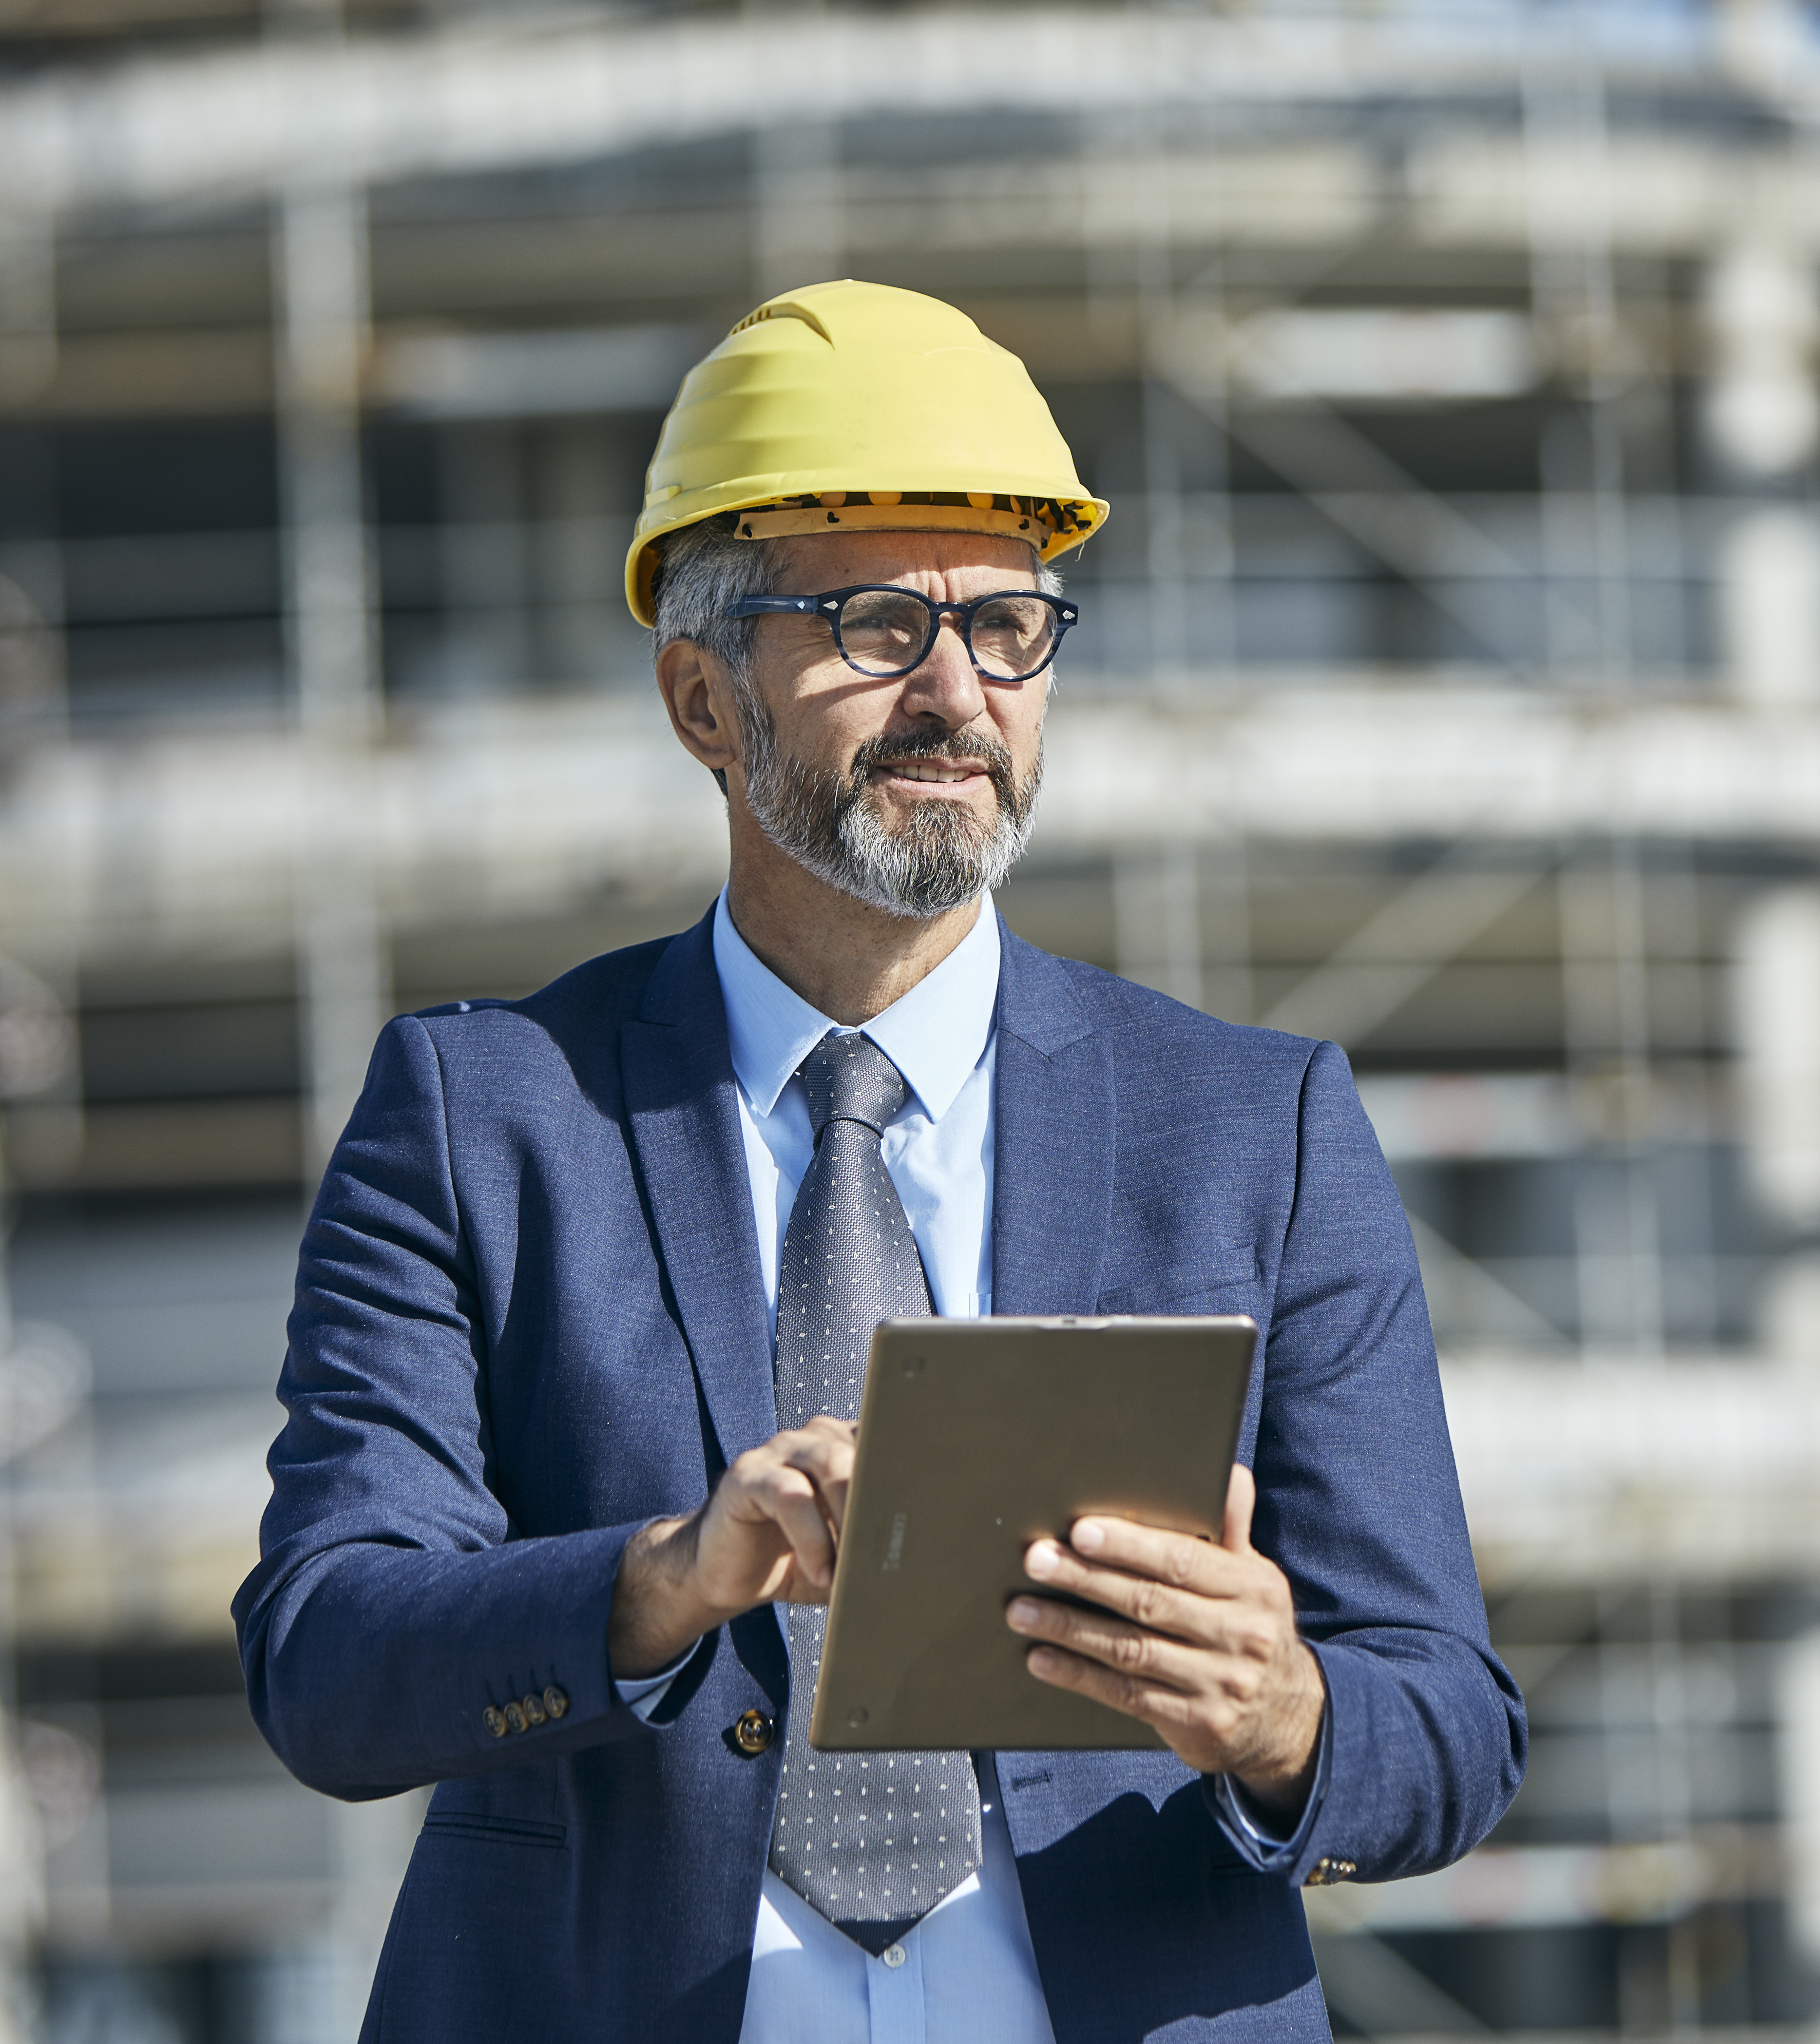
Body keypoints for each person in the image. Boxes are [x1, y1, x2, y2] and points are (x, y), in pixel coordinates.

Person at [235, 280, 1526, 2044]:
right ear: (702, 698)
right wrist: (670, 1578)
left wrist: (1283, 1714)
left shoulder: (1256, 1124)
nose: (952, 692)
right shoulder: (481, 1116)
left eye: (1007, 625)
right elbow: (327, 1660)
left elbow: (1448, 1723)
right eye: (865, 625)